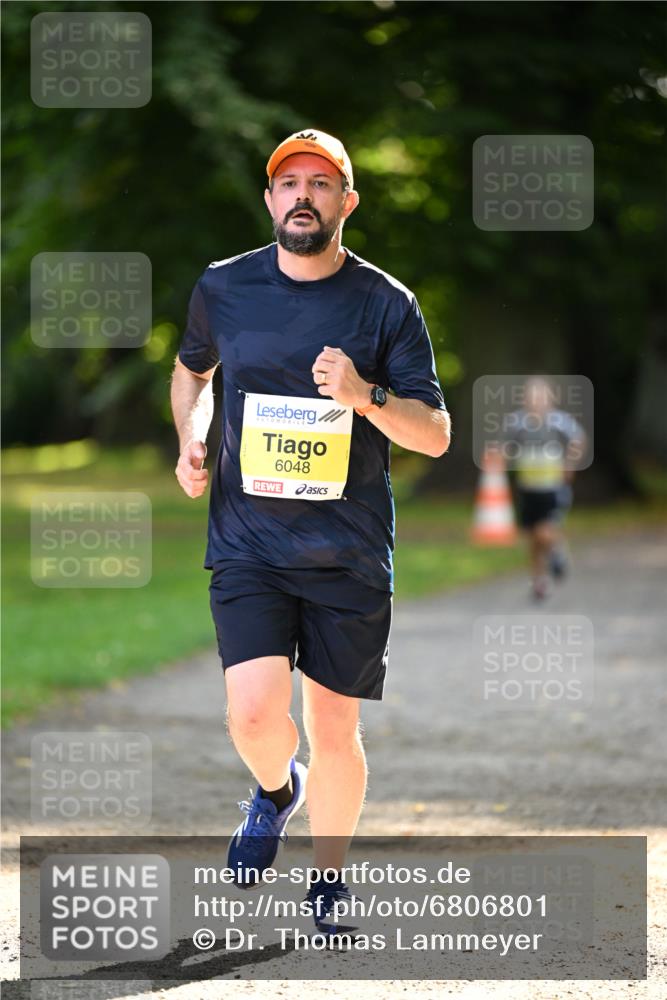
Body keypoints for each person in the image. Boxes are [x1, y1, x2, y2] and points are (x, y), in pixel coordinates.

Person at [170, 129, 450, 933]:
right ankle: (273, 791)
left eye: (320, 184)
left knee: (335, 726)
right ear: (269, 200)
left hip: (346, 549)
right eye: (288, 182)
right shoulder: (223, 288)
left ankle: (328, 879)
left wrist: (364, 396)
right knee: (254, 715)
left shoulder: (385, 303)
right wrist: (191, 436)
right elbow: (195, 372)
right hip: (248, 542)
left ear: (345, 202)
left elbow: (432, 434)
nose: (302, 195)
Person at [502, 376, 586, 600]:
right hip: (528, 488)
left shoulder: (559, 422)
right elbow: (506, 448)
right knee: (532, 539)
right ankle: (539, 582)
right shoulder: (517, 423)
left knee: (545, 530)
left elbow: (578, 440)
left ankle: (558, 552)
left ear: (550, 398)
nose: (535, 401)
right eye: (531, 396)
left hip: (553, 487)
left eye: (540, 396)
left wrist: (569, 464)